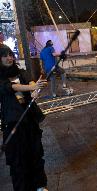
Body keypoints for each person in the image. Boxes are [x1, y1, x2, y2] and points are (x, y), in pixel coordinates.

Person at [0, 45, 48, 191]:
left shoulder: (20, 72)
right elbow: (11, 87)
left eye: (11, 54)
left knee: (35, 155)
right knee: (18, 161)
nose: (10, 58)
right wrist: (31, 88)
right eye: (5, 55)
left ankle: (40, 186)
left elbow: (31, 82)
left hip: (30, 121)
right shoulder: (0, 77)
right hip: (14, 124)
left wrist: (35, 89)